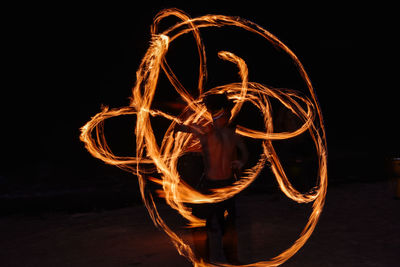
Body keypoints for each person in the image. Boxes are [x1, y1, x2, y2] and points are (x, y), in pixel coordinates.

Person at [175, 93, 248, 264]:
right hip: (220, 185)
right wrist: (240, 162)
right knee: (215, 223)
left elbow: (184, 127)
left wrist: (240, 162)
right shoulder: (224, 134)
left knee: (211, 223)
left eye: (217, 116)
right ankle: (219, 258)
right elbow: (244, 153)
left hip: (219, 186)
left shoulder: (217, 134)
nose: (215, 120)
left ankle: (214, 259)